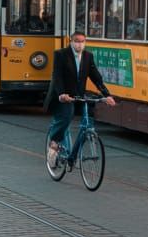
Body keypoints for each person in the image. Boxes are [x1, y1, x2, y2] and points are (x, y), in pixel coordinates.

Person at [43, 31, 116, 166]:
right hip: (62, 96)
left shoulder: (88, 56)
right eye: (77, 41)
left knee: (89, 116)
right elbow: (57, 76)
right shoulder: (61, 55)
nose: (79, 44)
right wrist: (62, 94)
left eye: (82, 41)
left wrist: (107, 95)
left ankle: (75, 153)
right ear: (71, 41)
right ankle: (54, 143)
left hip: (78, 96)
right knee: (67, 115)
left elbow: (96, 77)